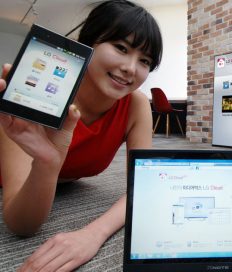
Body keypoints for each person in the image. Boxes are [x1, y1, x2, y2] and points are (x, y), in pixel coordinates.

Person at [0, 0, 162, 270]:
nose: (131, 68)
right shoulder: (41, 94)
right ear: (87, 43)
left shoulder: (136, 106)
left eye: (144, 60)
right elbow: (21, 225)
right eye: (121, 48)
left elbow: (144, 188)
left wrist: (93, 233)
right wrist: (47, 162)